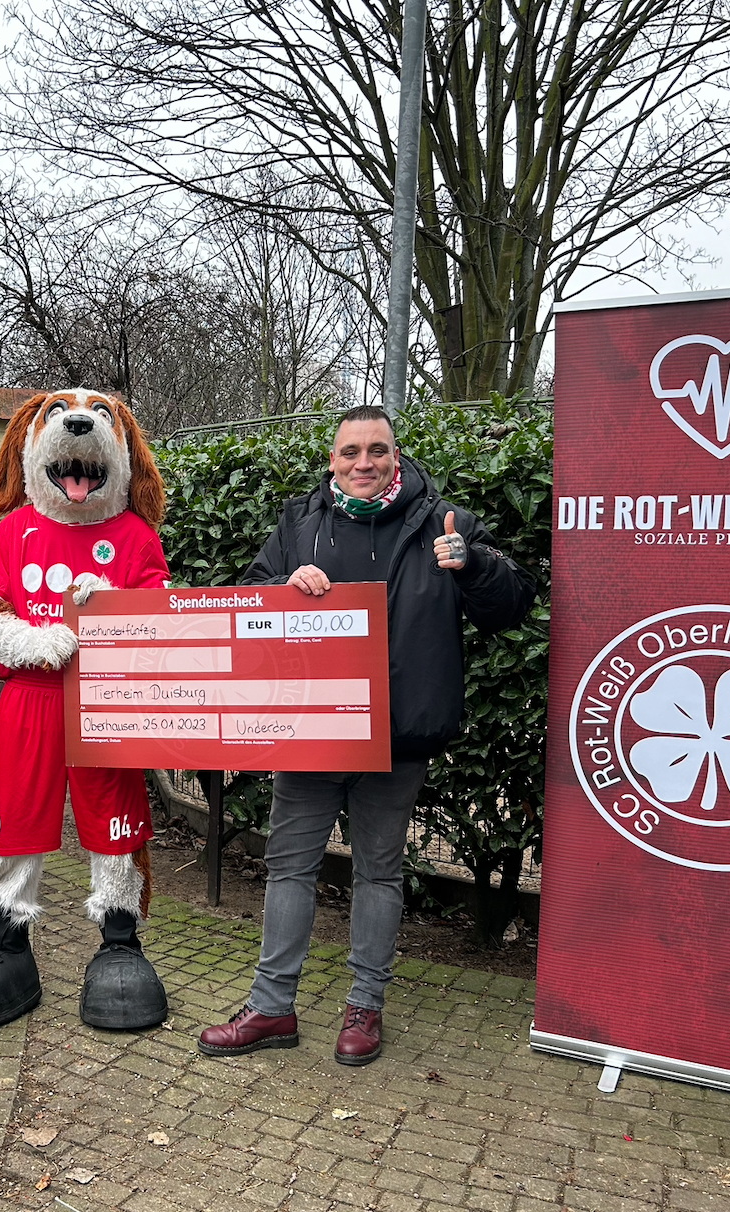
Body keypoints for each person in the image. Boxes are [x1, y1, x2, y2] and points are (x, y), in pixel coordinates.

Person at [197, 404, 535, 1066]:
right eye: (350, 452)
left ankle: (365, 1009)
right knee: (289, 865)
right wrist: (284, 589)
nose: (364, 463)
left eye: (376, 450)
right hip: (313, 730)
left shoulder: (445, 523)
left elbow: (513, 602)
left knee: (379, 872)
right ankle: (271, 1008)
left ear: (396, 457)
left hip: (398, 734)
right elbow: (248, 600)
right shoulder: (300, 523)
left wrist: (471, 566)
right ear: (333, 461)